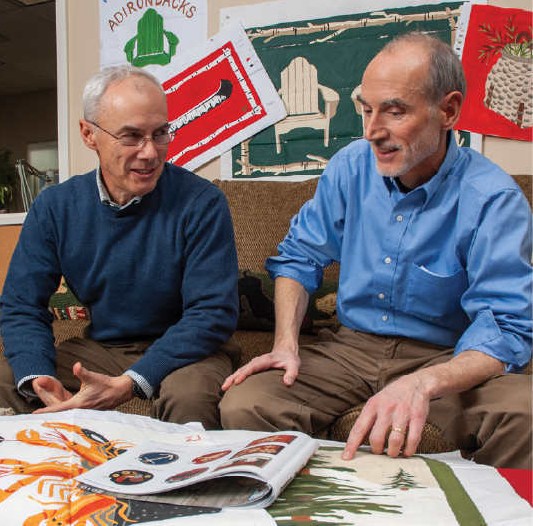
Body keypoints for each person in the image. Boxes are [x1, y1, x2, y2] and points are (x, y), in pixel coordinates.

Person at [220, 32, 533, 469]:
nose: (371, 131)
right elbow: (299, 256)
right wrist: (286, 344)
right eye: (366, 109)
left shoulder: (493, 199)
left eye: (394, 111)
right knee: (246, 403)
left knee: (526, 413)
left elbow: (505, 326)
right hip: (347, 349)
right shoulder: (349, 166)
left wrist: (424, 382)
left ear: (448, 110)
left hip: (445, 355)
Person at [0, 65, 240, 428]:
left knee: (189, 398)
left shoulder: (202, 202)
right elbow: (22, 305)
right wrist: (37, 376)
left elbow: (212, 312)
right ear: (89, 134)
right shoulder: (56, 207)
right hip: (102, 349)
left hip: (189, 353)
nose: (151, 152)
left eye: (160, 133)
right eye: (131, 136)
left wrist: (130, 383)